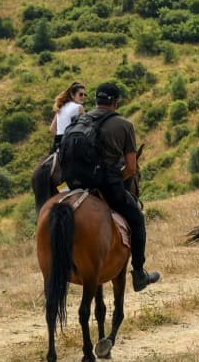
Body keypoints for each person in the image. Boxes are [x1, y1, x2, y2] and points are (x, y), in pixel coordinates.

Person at [88, 82, 160, 292]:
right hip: (107, 184)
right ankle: (138, 273)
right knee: (137, 219)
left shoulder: (80, 119)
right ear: (115, 102)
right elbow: (130, 168)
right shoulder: (123, 125)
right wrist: (113, 179)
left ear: (96, 100)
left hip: (79, 183)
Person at [49, 82, 86, 152]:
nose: (83, 97)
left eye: (85, 94)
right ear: (72, 95)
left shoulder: (61, 107)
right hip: (71, 145)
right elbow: (87, 129)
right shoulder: (79, 107)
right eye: (81, 94)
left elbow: (52, 129)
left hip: (58, 144)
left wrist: (61, 139)